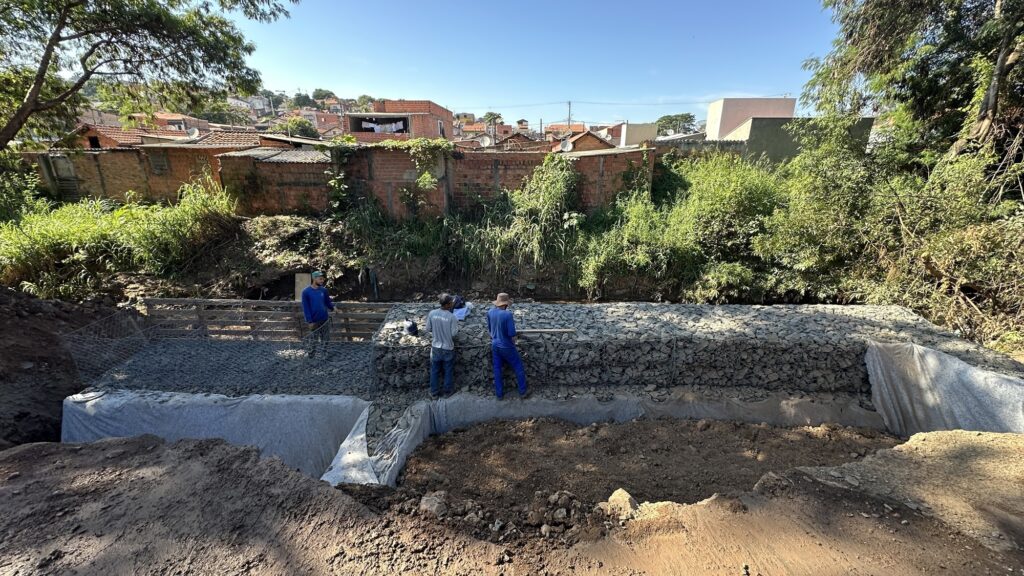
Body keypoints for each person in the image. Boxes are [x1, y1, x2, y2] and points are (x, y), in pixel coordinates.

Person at [487, 292, 528, 399]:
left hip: (495, 345)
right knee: (518, 366)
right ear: (505, 304)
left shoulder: (490, 312)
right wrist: (515, 343)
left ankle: (499, 394)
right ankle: (523, 391)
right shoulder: (507, 315)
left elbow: (490, 330)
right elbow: (512, 334)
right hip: (506, 346)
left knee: (497, 369)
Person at [425, 293, 459, 398]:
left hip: (436, 347)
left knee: (435, 370)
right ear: (448, 304)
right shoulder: (451, 317)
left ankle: (434, 393)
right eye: (451, 303)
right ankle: (447, 392)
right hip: (448, 347)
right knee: (448, 370)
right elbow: (454, 334)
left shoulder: (432, 313)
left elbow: (428, 329)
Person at [301, 271, 335, 342]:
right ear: (314, 279)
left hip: (324, 320)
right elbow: (306, 308)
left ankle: (324, 353)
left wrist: (333, 308)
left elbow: (327, 302)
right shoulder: (306, 292)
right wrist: (309, 322)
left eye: (323, 279)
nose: (322, 281)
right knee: (313, 341)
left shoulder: (324, 290)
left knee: (326, 340)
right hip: (314, 321)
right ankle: (312, 353)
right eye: (320, 279)